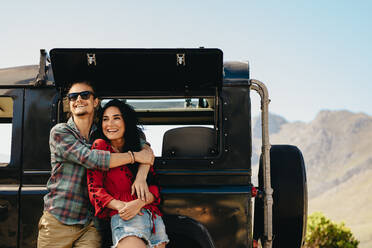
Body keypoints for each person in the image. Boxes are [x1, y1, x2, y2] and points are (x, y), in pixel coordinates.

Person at [37, 81, 155, 248]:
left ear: (95, 102)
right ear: (69, 104)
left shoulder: (103, 132)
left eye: (84, 95)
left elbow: (145, 148)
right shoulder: (60, 132)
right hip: (60, 218)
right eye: (72, 97)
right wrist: (134, 156)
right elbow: (91, 159)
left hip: (92, 224)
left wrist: (142, 177)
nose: (78, 99)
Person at [87, 99, 169, 248]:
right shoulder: (100, 146)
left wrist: (139, 202)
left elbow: (155, 189)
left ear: (126, 122)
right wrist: (123, 207)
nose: (110, 124)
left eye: (116, 118)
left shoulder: (140, 149)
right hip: (126, 219)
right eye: (105, 119)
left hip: (154, 220)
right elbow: (95, 191)